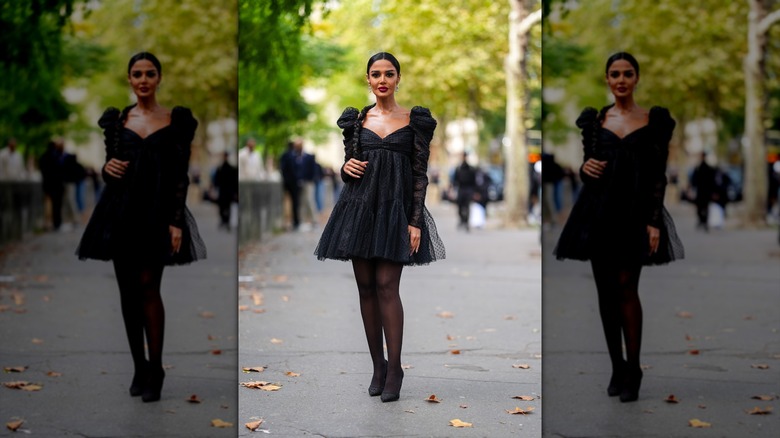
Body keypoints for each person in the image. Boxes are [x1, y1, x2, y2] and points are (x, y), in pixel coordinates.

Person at [75, 52, 206, 403]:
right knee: (128, 293)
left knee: (149, 286)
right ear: (130, 80)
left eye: (150, 73)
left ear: (159, 78)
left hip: (158, 213)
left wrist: (176, 221)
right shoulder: (116, 122)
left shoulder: (177, 121)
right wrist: (107, 169)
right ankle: (139, 365)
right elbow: (110, 165)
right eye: (137, 74)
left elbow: (180, 175)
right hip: (121, 213)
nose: (143, 79)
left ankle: (157, 368)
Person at [314, 52, 446, 402]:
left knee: (388, 286)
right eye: (376, 74)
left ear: (398, 78)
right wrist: (346, 169)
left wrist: (415, 221)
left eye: (389, 73)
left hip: (396, 212)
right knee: (366, 288)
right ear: (368, 80)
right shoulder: (355, 121)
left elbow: (419, 174)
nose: (382, 79)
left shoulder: (415, 120)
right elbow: (348, 164)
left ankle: (396, 368)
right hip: (358, 209)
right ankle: (377, 364)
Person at [553, 52, 684, 403]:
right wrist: (586, 169)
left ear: (636, 78)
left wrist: (654, 220)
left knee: (627, 286)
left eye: (628, 73)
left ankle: (634, 369)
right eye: (615, 74)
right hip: (599, 213)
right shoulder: (594, 122)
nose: (621, 79)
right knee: (605, 293)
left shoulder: (655, 121)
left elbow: (658, 175)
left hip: (636, 213)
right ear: (607, 80)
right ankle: (616, 365)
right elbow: (587, 165)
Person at [39, 138, 67, 230]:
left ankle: (47, 223)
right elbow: (61, 171)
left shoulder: (43, 157)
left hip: (47, 185)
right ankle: (57, 223)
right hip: (57, 185)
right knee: (57, 205)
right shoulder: (56, 157)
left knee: (48, 205)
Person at [689, 152, 717, 231]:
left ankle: (703, 221)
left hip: (704, 191)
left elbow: (712, 180)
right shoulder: (700, 168)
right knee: (701, 206)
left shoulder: (705, 168)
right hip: (702, 191)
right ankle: (702, 220)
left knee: (703, 206)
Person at [212, 151, 238, 230]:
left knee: (227, 207)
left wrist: (235, 191)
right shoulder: (220, 168)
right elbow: (216, 180)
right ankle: (224, 220)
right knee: (222, 206)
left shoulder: (230, 168)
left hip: (228, 191)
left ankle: (226, 221)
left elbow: (234, 181)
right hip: (222, 191)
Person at [452, 152, 477, 231]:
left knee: (467, 206)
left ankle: (466, 222)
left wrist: (474, 191)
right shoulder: (458, 168)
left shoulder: (471, 169)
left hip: (468, 189)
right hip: (461, 188)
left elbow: (474, 181)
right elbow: (454, 180)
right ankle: (462, 219)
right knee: (459, 206)